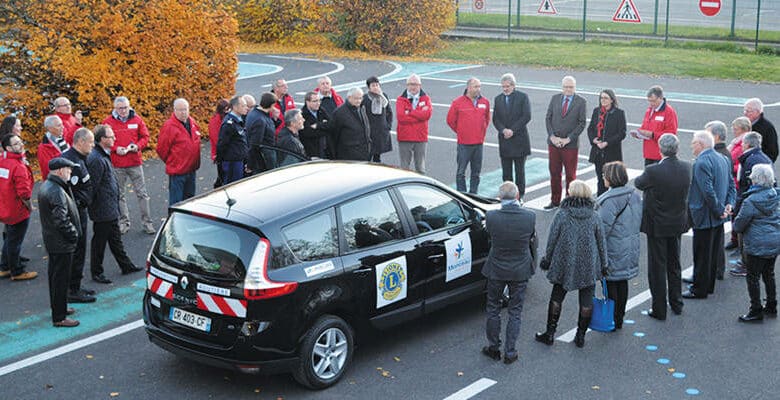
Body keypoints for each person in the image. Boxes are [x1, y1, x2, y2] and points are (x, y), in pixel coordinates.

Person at [535, 180, 607, 348]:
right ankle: (580, 336)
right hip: (588, 263)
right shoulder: (594, 215)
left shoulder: (562, 213)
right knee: (587, 299)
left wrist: (548, 258)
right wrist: (604, 264)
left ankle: (550, 333)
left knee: (557, 295)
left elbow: (552, 238)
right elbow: (601, 242)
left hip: (564, 260)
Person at [634, 134, 691, 320]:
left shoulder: (653, 171)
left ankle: (659, 309)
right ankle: (677, 302)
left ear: (660, 149)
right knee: (674, 264)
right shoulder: (686, 167)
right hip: (677, 221)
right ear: (677, 148)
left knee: (657, 267)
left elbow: (638, 183)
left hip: (657, 224)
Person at [481, 182, 536, 364]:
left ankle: (493, 347)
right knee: (515, 311)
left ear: (499, 198)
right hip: (520, 269)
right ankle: (510, 351)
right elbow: (530, 238)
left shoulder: (491, 217)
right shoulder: (529, 216)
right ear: (517, 196)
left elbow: (489, 236)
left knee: (493, 308)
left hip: (497, 268)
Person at [86, 125, 142, 284]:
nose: (114, 138)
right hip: (103, 208)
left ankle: (126, 265)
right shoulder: (97, 159)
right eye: (111, 136)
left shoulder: (102, 155)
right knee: (100, 241)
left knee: (115, 238)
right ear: (102, 139)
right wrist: (96, 206)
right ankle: (97, 272)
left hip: (109, 206)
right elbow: (93, 186)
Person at [684, 130, 735, 299]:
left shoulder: (701, 162)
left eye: (693, 143)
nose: (691, 146)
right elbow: (731, 186)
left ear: (701, 144)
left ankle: (699, 289)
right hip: (717, 216)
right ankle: (708, 286)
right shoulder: (723, 159)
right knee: (712, 253)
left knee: (701, 254)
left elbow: (707, 191)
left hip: (705, 215)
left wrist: (720, 210)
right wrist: (728, 205)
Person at [596, 162, 641, 329]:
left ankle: (611, 318)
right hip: (630, 246)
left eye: (604, 175)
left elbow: (602, 230)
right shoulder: (634, 195)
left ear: (611, 177)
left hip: (613, 248)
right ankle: (619, 318)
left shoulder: (609, 201)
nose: (603, 177)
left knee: (611, 283)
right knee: (622, 282)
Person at [38, 157, 82, 327]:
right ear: (60, 171)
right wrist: (74, 235)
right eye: (68, 169)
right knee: (61, 279)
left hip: (53, 241)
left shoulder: (47, 186)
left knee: (55, 277)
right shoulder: (56, 190)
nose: (70, 172)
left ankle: (59, 307)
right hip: (61, 243)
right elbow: (61, 220)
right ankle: (59, 316)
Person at [732, 164, 779, 322]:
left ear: (756, 179)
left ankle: (756, 309)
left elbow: (739, 225)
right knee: (769, 273)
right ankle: (771, 305)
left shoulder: (751, 201)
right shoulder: (776, 195)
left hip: (757, 243)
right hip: (774, 241)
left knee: (753, 277)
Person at [102, 96, 154, 234]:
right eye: (120, 108)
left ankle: (147, 223)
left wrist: (137, 146)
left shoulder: (137, 119)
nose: (123, 111)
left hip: (134, 162)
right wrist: (115, 149)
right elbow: (102, 141)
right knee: (119, 195)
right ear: (115, 108)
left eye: (125, 107)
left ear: (129, 106)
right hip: (117, 164)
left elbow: (145, 137)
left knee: (142, 194)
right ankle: (124, 222)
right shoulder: (107, 122)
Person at [730, 132, 773, 277]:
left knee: (746, 235)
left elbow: (746, 184)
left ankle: (746, 264)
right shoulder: (763, 158)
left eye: (743, 143)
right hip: (762, 202)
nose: (741, 145)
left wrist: (740, 205)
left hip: (749, 202)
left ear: (748, 144)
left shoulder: (751, 160)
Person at [61, 128, 97, 303]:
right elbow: (68, 191)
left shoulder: (80, 159)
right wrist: (81, 202)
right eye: (90, 142)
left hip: (80, 212)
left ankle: (75, 285)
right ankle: (71, 290)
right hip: (75, 214)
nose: (93, 145)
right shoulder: (70, 162)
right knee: (76, 250)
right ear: (81, 142)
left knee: (80, 250)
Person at [544, 76, 586, 209]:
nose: (568, 89)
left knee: (570, 175)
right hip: (554, 144)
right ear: (562, 87)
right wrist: (552, 136)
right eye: (566, 87)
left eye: (571, 87)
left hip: (570, 145)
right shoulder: (555, 98)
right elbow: (548, 118)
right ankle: (555, 201)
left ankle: (569, 202)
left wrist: (568, 139)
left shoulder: (581, 102)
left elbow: (582, 123)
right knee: (554, 173)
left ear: (575, 87)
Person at [0, 134, 37, 281]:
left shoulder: (3, 162)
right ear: (8, 148)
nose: (21, 144)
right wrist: (30, 206)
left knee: (9, 238)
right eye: (16, 144)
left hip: (5, 207)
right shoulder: (18, 166)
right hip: (17, 210)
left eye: (20, 141)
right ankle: (16, 271)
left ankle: (5, 266)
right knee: (15, 241)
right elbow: (24, 193)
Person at [447, 77, 490, 194]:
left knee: (476, 173)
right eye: (476, 87)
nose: (478, 89)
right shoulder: (457, 102)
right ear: (468, 88)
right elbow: (450, 120)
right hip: (464, 144)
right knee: (461, 172)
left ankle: (473, 194)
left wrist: (481, 132)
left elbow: (487, 119)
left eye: (479, 86)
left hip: (478, 143)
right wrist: (461, 131)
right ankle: (462, 194)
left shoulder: (485, 102)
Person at [492, 73, 532, 198]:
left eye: (507, 86)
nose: (505, 89)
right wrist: (503, 130)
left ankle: (520, 196)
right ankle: (507, 196)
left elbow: (526, 116)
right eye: (503, 86)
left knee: (520, 172)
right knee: (506, 173)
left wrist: (512, 130)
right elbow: (495, 119)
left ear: (513, 85)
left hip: (519, 140)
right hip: (505, 141)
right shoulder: (498, 99)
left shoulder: (522, 97)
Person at [157, 98, 201, 205]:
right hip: (178, 172)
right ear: (174, 110)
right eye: (180, 110)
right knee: (177, 203)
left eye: (185, 109)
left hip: (191, 170)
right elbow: (161, 149)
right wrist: (173, 162)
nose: (183, 112)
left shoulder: (192, 122)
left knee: (190, 201)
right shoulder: (169, 126)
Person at [587, 89, 627, 197]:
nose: (603, 100)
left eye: (606, 98)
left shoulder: (619, 113)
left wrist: (607, 142)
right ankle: (601, 202)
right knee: (601, 180)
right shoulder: (597, 111)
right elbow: (590, 129)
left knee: (615, 181)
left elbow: (622, 133)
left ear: (612, 100)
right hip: (598, 153)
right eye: (601, 98)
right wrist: (593, 140)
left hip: (612, 153)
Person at [396, 74, 432, 174]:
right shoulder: (400, 99)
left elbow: (427, 115)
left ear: (420, 85)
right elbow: (401, 117)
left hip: (420, 137)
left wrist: (410, 112)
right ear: (407, 85)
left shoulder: (426, 99)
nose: (413, 87)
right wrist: (419, 115)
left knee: (420, 168)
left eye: (415, 84)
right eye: (410, 84)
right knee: (404, 168)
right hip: (405, 137)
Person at [724, 117, 751, 250]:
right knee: (735, 212)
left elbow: (741, 165)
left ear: (743, 129)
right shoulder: (737, 142)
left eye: (735, 129)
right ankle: (735, 239)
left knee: (737, 212)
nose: (733, 131)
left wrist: (728, 167)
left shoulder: (743, 145)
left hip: (737, 183)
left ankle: (737, 240)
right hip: (734, 182)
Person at [637, 85, 678, 166]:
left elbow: (671, 135)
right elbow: (644, 127)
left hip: (660, 155)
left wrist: (653, 135)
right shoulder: (649, 110)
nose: (651, 104)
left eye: (653, 101)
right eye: (649, 101)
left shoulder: (669, 112)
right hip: (648, 153)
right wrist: (639, 133)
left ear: (660, 98)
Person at [216, 95, 250, 184]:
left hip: (240, 160)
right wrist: (221, 161)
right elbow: (222, 144)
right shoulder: (229, 124)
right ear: (235, 107)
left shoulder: (240, 119)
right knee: (233, 185)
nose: (246, 108)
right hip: (233, 162)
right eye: (243, 106)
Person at [332, 87, 371, 161]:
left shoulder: (361, 108)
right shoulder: (339, 113)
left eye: (360, 98)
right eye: (356, 98)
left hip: (364, 151)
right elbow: (334, 135)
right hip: (348, 155)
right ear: (349, 98)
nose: (359, 101)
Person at [245, 92, 279, 174]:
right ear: (272, 105)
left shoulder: (254, 112)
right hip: (264, 159)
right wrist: (250, 165)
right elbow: (255, 144)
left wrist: (275, 119)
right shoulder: (260, 120)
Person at [363, 76, 393, 163]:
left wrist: (388, 125)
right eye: (373, 85)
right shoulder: (365, 98)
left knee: (377, 157)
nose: (376, 87)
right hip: (369, 131)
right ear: (369, 87)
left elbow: (389, 112)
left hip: (381, 130)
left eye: (377, 85)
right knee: (367, 156)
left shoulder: (383, 96)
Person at [744, 98, 778, 162]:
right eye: (745, 110)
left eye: (748, 111)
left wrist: (761, 163)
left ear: (758, 112)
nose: (745, 113)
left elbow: (773, 152)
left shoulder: (768, 128)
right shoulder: (745, 124)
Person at [300, 91, 333, 159]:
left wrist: (318, 125)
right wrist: (325, 127)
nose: (318, 103)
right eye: (315, 101)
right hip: (313, 151)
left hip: (326, 149)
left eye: (319, 100)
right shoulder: (303, 114)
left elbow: (331, 124)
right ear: (307, 102)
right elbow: (308, 133)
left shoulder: (321, 110)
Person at [37, 115, 69, 180]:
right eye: (59, 125)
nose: (63, 127)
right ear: (49, 128)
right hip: (59, 181)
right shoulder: (43, 148)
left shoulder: (64, 138)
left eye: (62, 124)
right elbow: (47, 170)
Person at [208, 99, 230, 188]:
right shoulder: (215, 121)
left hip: (223, 151)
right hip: (220, 153)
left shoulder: (223, 118)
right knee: (222, 175)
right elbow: (216, 139)